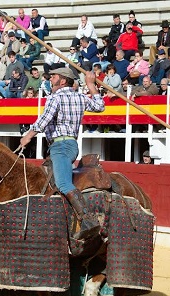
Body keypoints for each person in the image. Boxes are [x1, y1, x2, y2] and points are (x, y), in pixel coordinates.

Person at [20, 68, 105, 240]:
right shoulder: (80, 97)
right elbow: (100, 106)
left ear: (63, 81)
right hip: (71, 144)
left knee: (64, 184)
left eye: (54, 77)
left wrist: (27, 136)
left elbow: (44, 120)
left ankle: (88, 220)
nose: (51, 79)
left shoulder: (55, 97)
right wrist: (91, 85)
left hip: (60, 146)